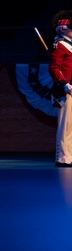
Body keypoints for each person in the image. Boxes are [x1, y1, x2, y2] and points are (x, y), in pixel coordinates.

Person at [48, 11, 72, 167]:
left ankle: (70, 155)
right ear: (63, 29)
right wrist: (64, 83)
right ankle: (62, 157)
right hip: (64, 90)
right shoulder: (59, 45)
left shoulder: (69, 45)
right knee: (65, 126)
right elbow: (54, 68)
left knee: (71, 126)